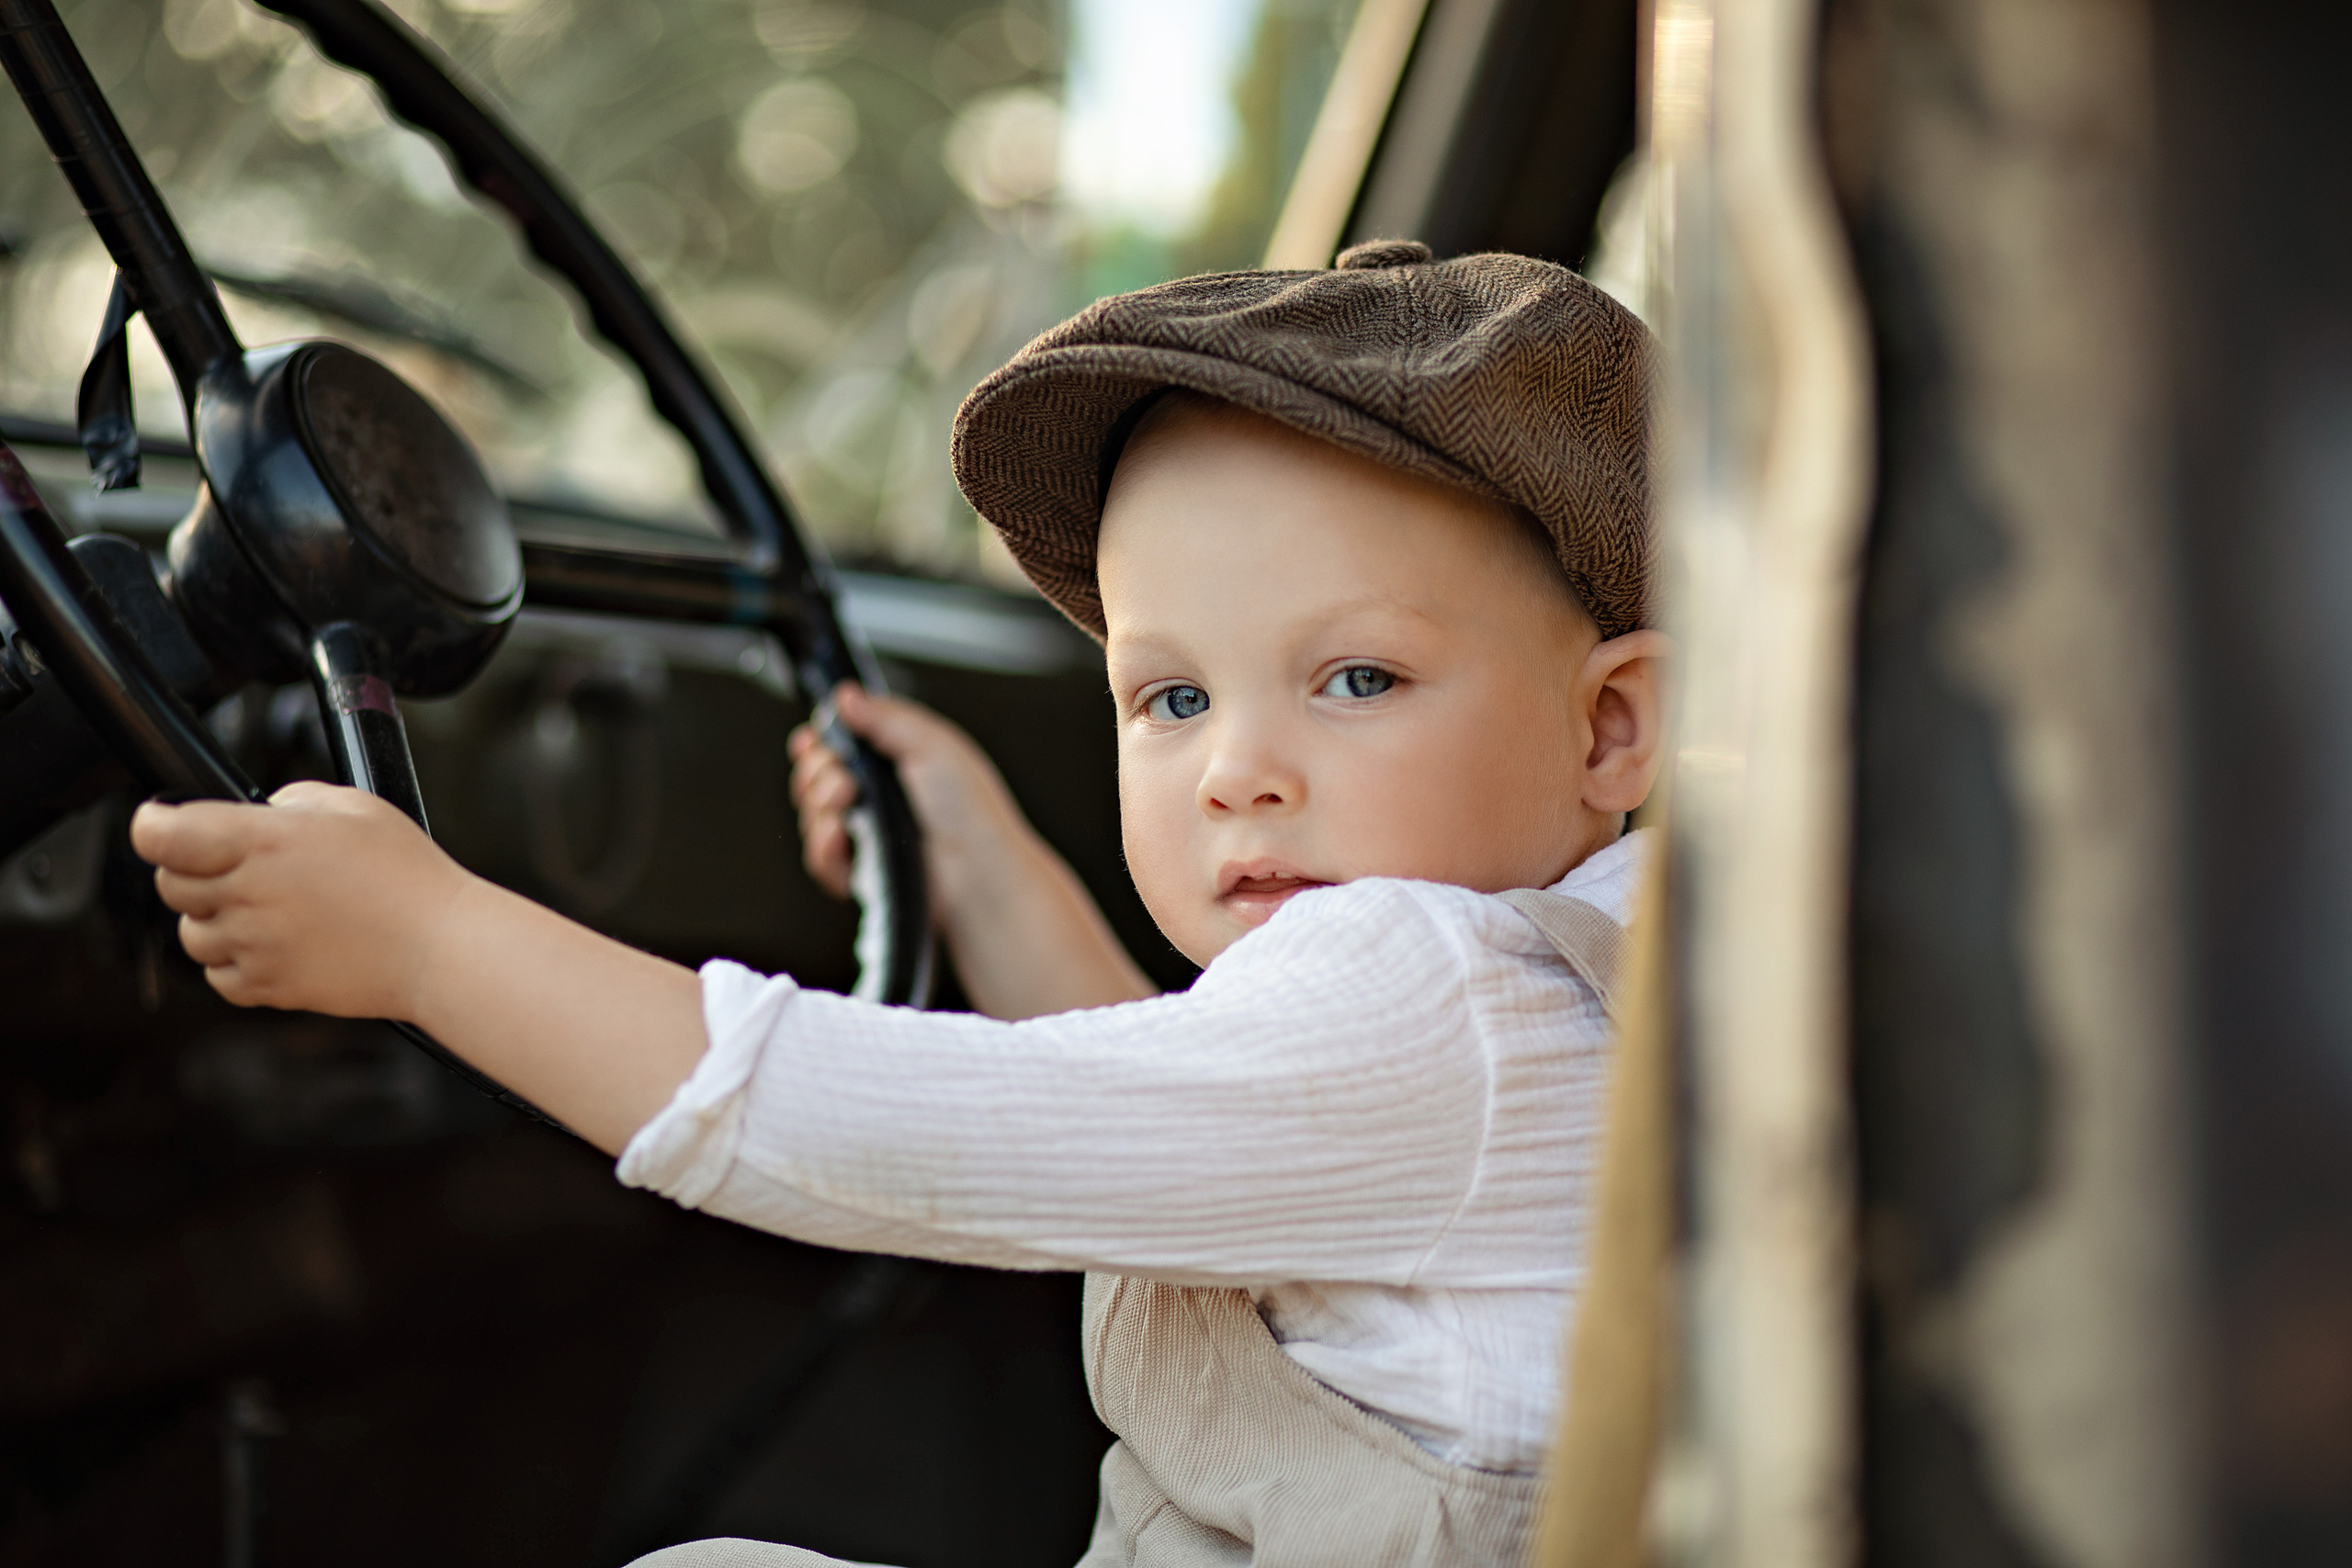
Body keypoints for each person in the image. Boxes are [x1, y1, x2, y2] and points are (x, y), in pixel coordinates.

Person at [128, 238, 1665, 1567]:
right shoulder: (1571, 999)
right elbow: (1147, 1112)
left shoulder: (1439, 993)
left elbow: (914, 1130)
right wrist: (978, 861)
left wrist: (430, 942)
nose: (1235, 773)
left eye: (1358, 679)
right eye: (1174, 697)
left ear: (1611, 728)